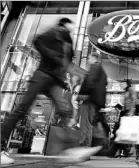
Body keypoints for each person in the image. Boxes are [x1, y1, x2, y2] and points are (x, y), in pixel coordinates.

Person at [1, 18, 101, 165]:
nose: (71, 30)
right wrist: (54, 57)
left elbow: (66, 64)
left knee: (66, 112)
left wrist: (65, 80)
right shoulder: (53, 33)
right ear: (63, 25)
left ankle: (71, 151)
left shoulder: (68, 42)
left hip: (54, 81)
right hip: (42, 75)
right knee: (21, 109)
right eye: (69, 26)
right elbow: (37, 42)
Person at [77, 52, 109, 148]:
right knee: (88, 124)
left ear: (95, 58)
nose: (88, 60)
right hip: (94, 101)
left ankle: (84, 147)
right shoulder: (102, 71)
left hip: (89, 99)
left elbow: (90, 81)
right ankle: (86, 146)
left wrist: (83, 94)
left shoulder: (95, 67)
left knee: (85, 124)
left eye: (89, 58)